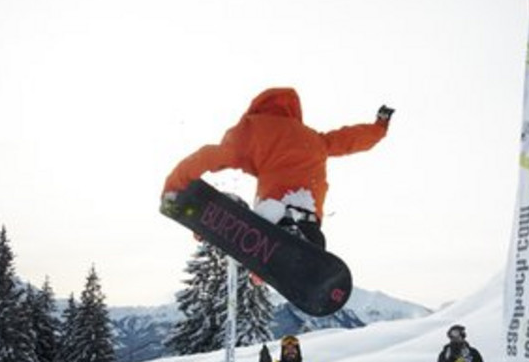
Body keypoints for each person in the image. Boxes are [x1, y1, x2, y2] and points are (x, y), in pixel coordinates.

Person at [162, 87, 394, 249]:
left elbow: (208, 155)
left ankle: (241, 223)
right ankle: (301, 235)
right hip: (310, 214)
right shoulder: (312, 138)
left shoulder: (251, 130)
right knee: (294, 246)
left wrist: (174, 185)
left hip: (273, 211)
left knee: (262, 249)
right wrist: (379, 126)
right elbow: (350, 139)